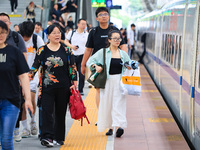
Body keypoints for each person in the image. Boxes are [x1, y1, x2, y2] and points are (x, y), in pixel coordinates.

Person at [29, 24, 77, 147]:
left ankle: (59, 137)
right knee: (47, 111)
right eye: (54, 33)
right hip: (47, 87)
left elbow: (72, 67)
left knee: (60, 113)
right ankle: (47, 137)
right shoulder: (42, 50)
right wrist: (27, 78)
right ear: (48, 35)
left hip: (64, 87)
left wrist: (74, 82)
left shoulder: (66, 50)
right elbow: (35, 65)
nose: (57, 35)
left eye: (59, 32)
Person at [81, 7, 127, 119]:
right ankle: (101, 116)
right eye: (100, 15)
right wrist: (83, 64)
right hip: (99, 66)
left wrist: (124, 60)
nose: (103, 16)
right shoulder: (93, 32)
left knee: (113, 90)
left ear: (109, 16)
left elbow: (123, 46)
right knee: (99, 90)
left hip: (114, 64)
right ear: (97, 18)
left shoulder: (115, 31)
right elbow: (88, 49)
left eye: (105, 14)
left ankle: (111, 115)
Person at [88, 30, 131, 137]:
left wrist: (130, 66)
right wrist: (96, 66)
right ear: (109, 40)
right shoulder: (103, 52)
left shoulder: (123, 54)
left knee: (119, 104)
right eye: (115, 38)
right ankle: (110, 127)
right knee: (107, 104)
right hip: (106, 82)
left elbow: (129, 65)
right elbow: (90, 61)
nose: (117, 41)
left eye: (119, 39)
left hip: (119, 82)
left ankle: (119, 126)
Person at [0, 20, 33, 150]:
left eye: (3, 32)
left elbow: (23, 76)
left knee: (7, 140)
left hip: (10, 101)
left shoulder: (14, 52)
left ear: (7, 33)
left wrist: (28, 100)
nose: (0, 35)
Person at [19, 21, 45, 138]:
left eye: (27, 37)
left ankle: (33, 121)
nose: (25, 39)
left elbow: (43, 56)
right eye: (24, 37)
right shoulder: (17, 39)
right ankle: (25, 128)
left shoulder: (37, 39)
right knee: (22, 102)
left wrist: (40, 74)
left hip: (33, 75)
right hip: (20, 74)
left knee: (31, 99)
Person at [65, 19, 88, 95]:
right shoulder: (72, 33)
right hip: (72, 55)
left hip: (82, 56)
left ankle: (80, 89)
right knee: (71, 73)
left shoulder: (86, 34)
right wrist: (72, 46)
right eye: (82, 24)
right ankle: (71, 88)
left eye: (85, 24)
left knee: (81, 74)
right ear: (78, 24)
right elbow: (65, 41)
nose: (83, 26)